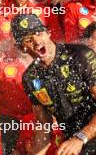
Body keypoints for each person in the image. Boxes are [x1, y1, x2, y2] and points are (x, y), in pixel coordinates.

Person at [11, 13, 96, 155]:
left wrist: (81, 138)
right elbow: (44, 125)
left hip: (85, 137)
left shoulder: (79, 55)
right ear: (21, 48)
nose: (37, 41)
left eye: (39, 33)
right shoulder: (30, 78)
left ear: (48, 33)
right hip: (73, 144)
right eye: (28, 39)